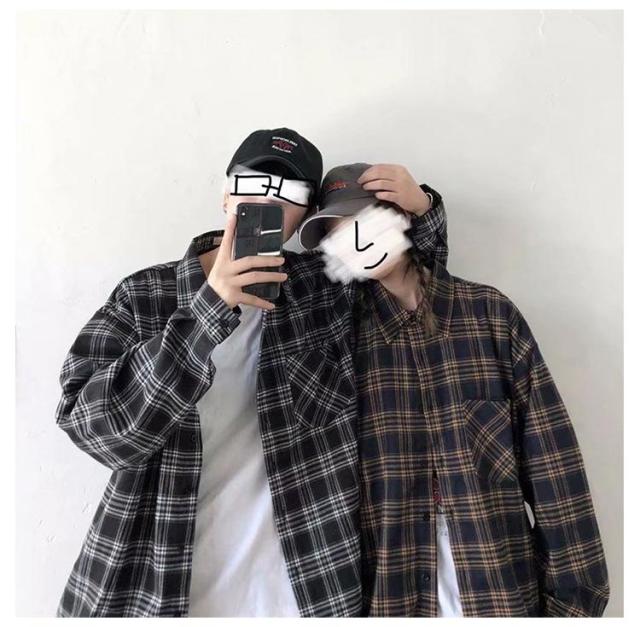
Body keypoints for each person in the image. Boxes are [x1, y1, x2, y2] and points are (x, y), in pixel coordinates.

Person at [54, 128, 446, 617]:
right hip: (159, 586)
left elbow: (421, 300)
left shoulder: (325, 291)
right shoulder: (145, 295)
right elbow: (96, 432)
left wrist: (422, 208)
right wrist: (209, 309)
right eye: (253, 182)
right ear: (225, 194)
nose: (267, 199)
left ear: (305, 216)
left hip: (307, 583)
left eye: (290, 192)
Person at [297, 162, 610, 617]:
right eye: (337, 234)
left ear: (398, 217)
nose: (354, 241)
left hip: (500, 593)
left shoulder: (489, 316)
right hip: (390, 597)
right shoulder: (339, 346)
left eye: (361, 222)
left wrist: (574, 607)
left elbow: (554, 469)